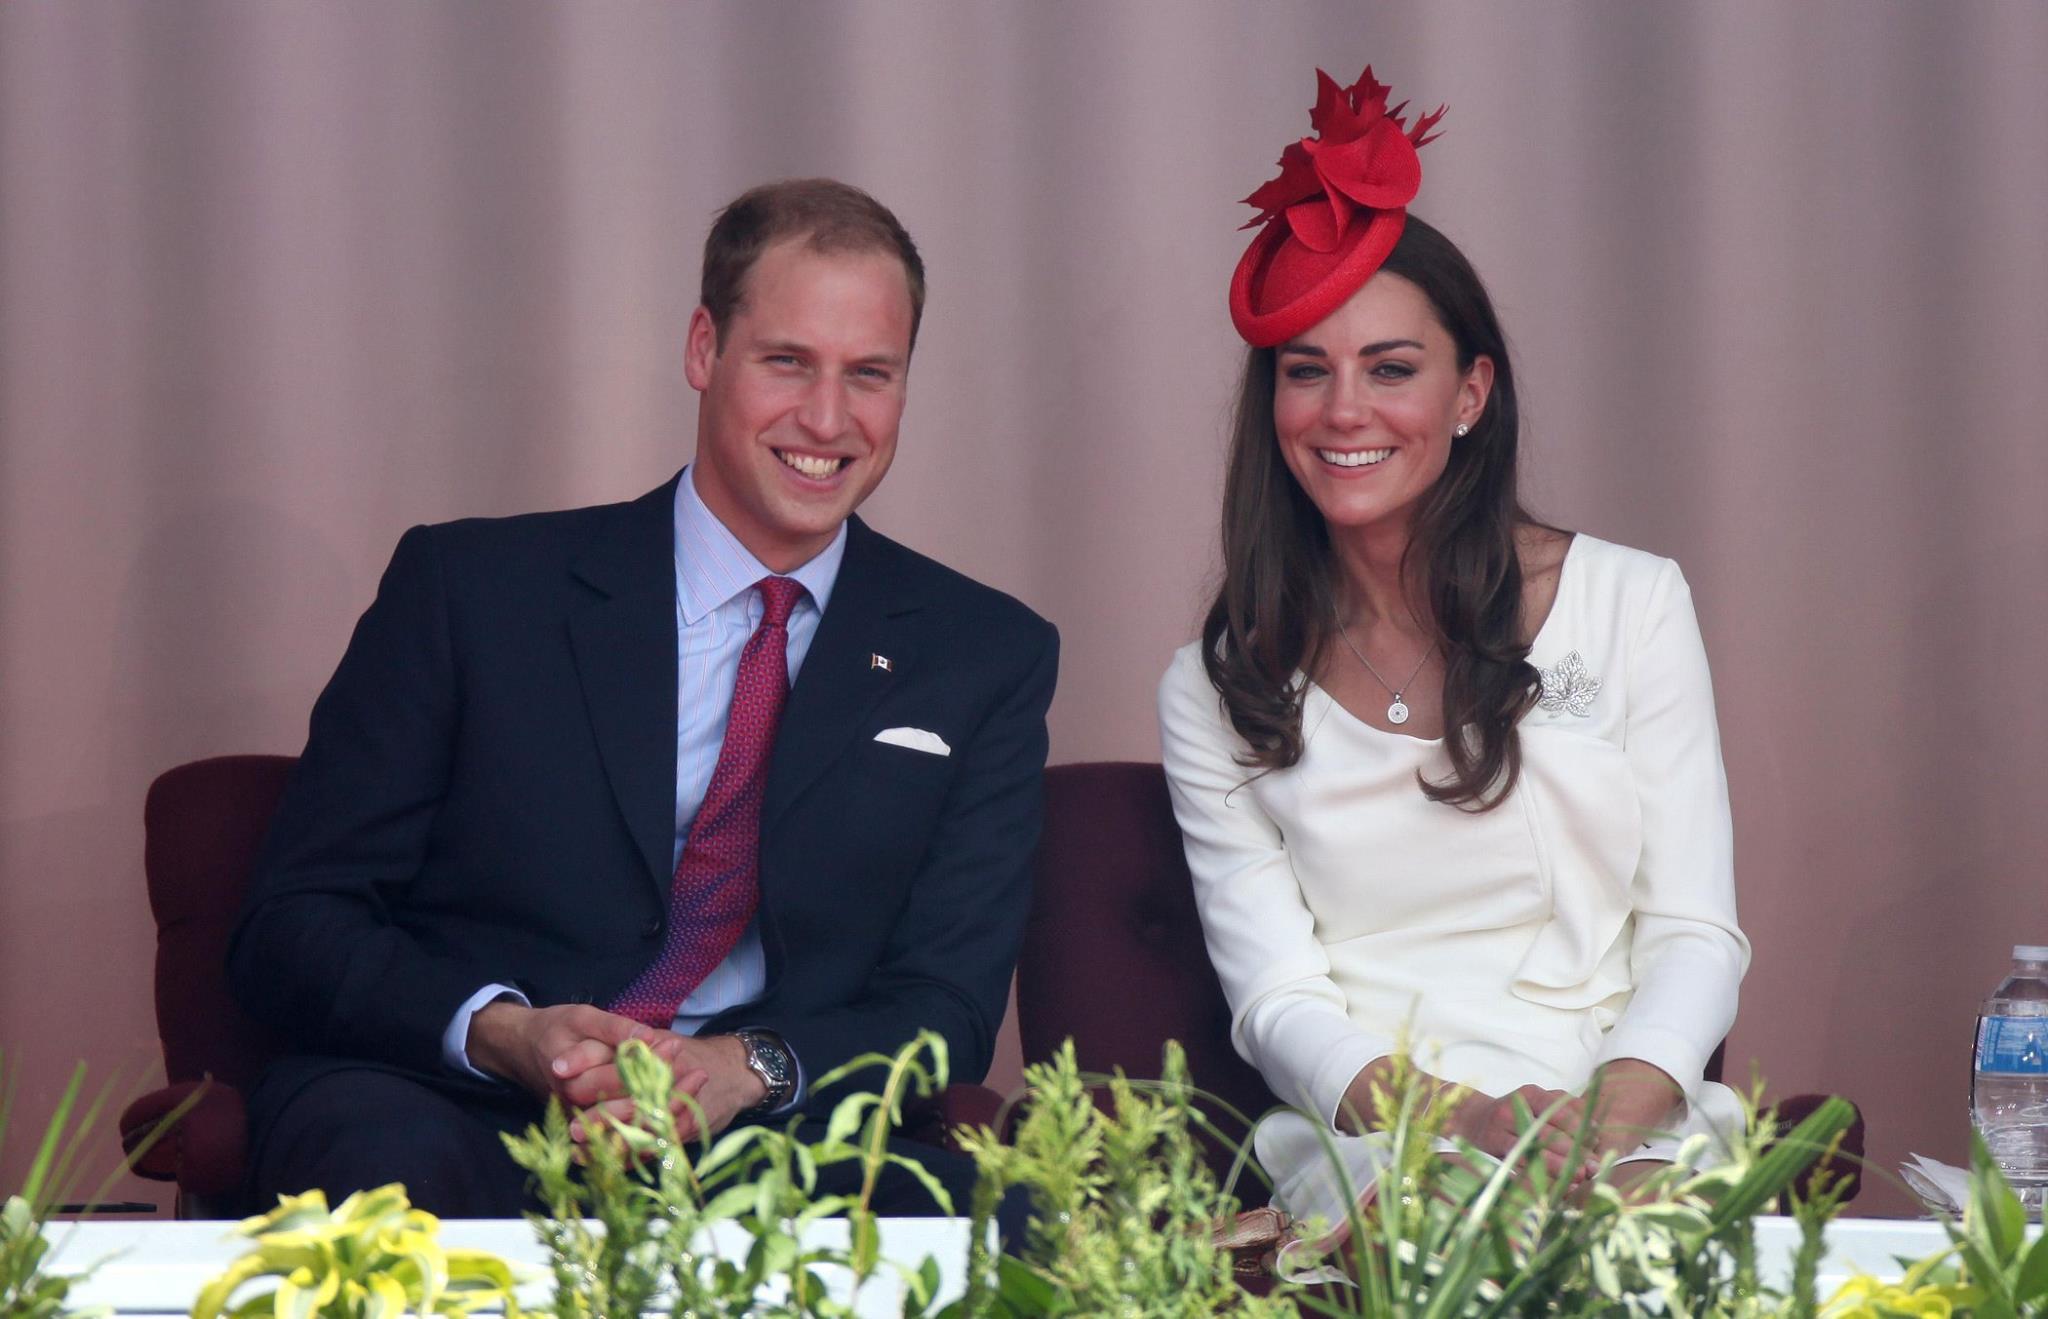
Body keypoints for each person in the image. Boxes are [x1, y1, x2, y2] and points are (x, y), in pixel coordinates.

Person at [228, 178, 1060, 1219]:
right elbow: (293, 923)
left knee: (1007, 1220)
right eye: (787, 360)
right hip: (457, 1106)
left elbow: (945, 1005)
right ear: (704, 349)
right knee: (379, 1166)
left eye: (871, 374)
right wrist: (504, 1030)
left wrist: (743, 1066)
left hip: (767, 1135)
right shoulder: (471, 591)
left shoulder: (983, 652)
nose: (828, 417)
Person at [1156, 68, 1749, 1235]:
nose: (1342, 411)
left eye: (1390, 367)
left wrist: (1600, 1123)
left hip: (1624, 1105)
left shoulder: (1631, 600)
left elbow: (1692, 929)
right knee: (1441, 1238)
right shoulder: (1212, 685)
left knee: (1636, 1247)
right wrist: (1465, 1123)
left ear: (1469, 391)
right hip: (1384, 1129)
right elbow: (1277, 998)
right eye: (1304, 369)